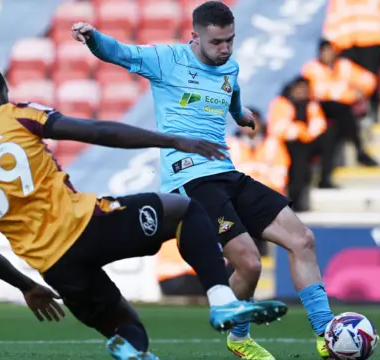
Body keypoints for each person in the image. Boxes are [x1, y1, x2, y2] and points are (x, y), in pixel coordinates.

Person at [0, 60, 288, 360]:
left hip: (55, 268)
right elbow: (98, 131)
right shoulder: (16, 115)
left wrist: (27, 286)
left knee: (128, 328)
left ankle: (131, 350)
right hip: (88, 225)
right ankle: (221, 299)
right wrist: (171, 140)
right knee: (185, 210)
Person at [73, 2, 335, 359]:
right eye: (216, 42)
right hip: (190, 178)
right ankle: (239, 338)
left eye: (230, 40)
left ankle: (327, 335)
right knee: (250, 263)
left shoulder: (230, 65)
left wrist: (240, 115)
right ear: (195, 36)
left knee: (302, 239)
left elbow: (233, 90)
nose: (225, 49)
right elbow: (120, 53)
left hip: (225, 172)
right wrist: (93, 38)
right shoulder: (167, 60)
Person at [301, 40, 380, 167]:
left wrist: (359, 92)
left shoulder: (344, 65)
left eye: (330, 51)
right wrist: (345, 94)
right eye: (325, 51)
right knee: (342, 113)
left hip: (342, 109)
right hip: (320, 109)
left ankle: (356, 152)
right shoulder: (311, 68)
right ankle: (359, 151)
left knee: (339, 122)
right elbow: (317, 93)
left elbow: (369, 80)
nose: (328, 54)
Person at [267, 77, 333, 211]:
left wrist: (302, 132)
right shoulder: (281, 103)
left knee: (327, 138)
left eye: (305, 89)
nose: (302, 92)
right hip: (284, 147)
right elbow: (279, 129)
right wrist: (302, 130)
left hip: (305, 145)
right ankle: (292, 201)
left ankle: (324, 178)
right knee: (297, 162)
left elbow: (319, 125)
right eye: (299, 88)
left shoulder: (312, 105)